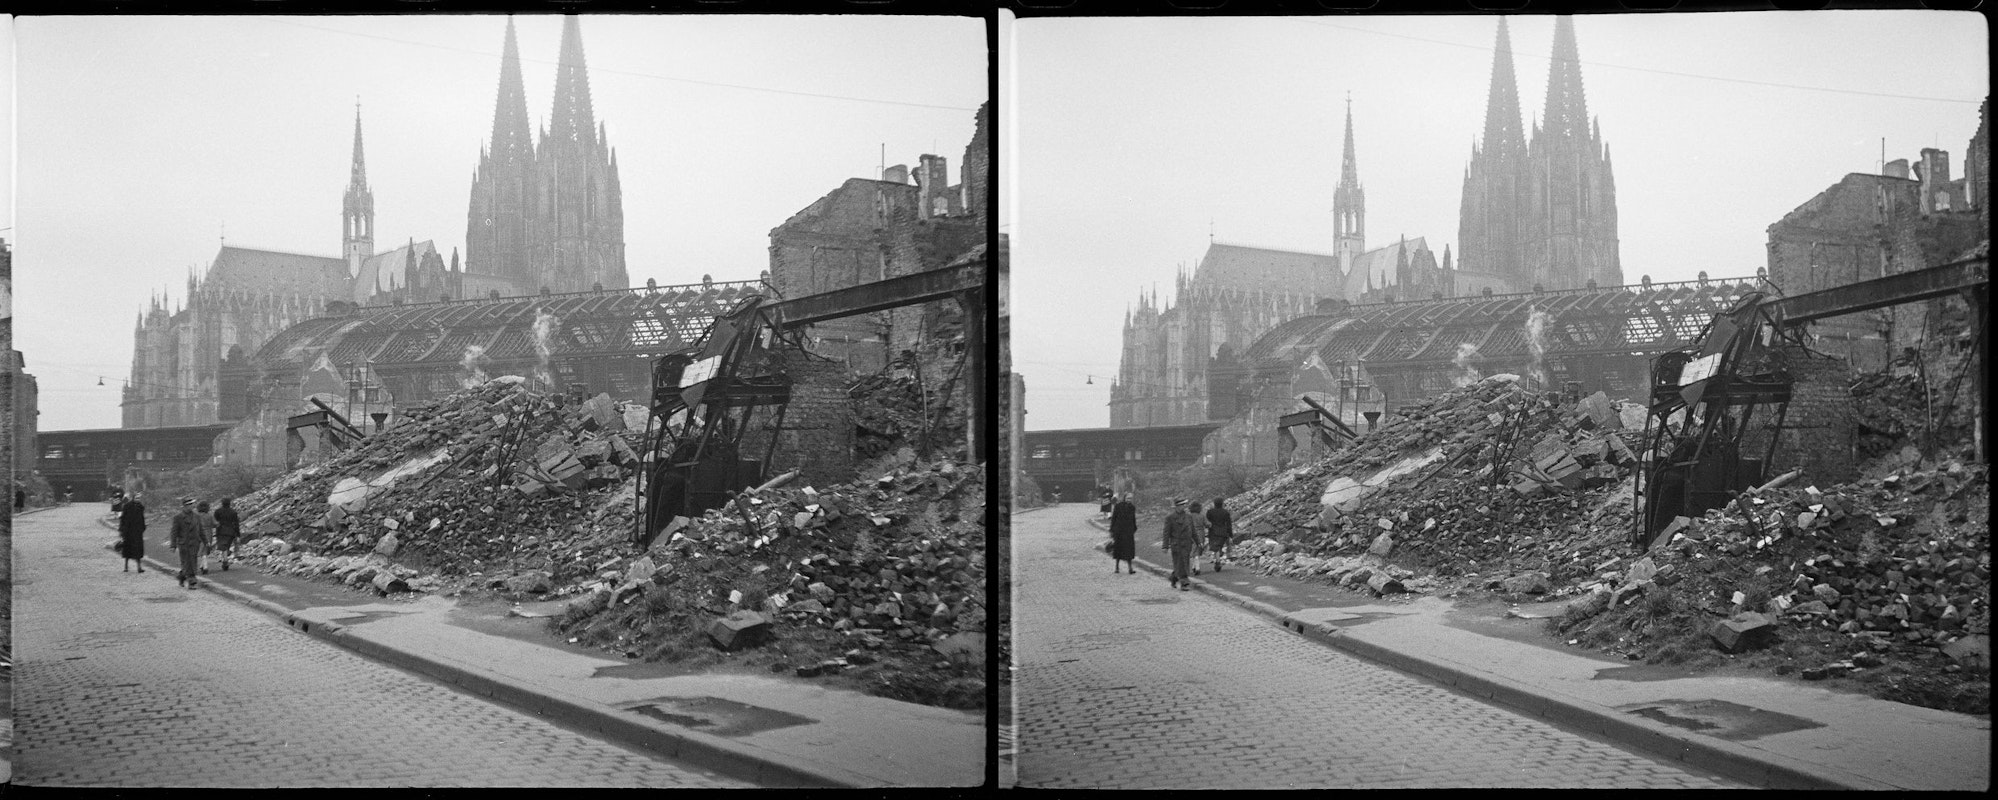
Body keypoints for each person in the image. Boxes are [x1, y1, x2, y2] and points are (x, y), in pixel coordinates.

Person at [1161, 499, 1199, 591]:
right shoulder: (1170, 517)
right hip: (1176, 544)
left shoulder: (1188, 517)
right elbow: (1166, 533)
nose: (1184, 506)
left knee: (1182, 563)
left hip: (1187, 544)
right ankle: (1184, 582)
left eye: (1184, 505)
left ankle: (1174, 577)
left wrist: (1198, 542)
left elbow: (1193, 530)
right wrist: (1165, 546)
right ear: (1177, 506)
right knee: (1181, 563)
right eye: (1182, 505)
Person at [170, 498, 203, 589]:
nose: (192, 506)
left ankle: (182, 576)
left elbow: (201, 530)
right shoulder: (178, 517)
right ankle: (192, 581)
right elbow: (174, 532)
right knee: (187, 562)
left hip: (195, 543)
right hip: (184, 544)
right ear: (185, 506)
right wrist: (173, 545)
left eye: (193, 504)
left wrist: (206, 541)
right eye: (190, 504)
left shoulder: (196, 516)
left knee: (192, 562)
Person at [118, 492, 148, 573]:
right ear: (133, 498)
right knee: (127, 549)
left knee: (138, 550)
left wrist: (143, 527)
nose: (138, 500)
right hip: (128, 531)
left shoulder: (140, 507)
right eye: (136, 498)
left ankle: (139, 567)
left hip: (137, 532)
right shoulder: (127, 506)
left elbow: (142, 518)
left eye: (139, 498)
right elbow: (123, 518)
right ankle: (126, 566)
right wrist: (121, 530)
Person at [1108, 494, 1138, 574]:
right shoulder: (1118, 506)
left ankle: (1130, 568)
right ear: (1124, 498)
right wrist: (1112, 530)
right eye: (1128, 498)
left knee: (1129, 550)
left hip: (1128, 532)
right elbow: (1114, 518)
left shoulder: (1132, 507)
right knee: (1118, 549)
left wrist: (1134, 528)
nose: (1129, 500)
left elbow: (1133, 519)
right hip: (1119, 531)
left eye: (1131, 498)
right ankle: (1117, 567)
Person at [1206, 497, 1235, 573]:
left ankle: (1218, 561)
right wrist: (1230, 534)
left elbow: (1207, 521)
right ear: (1222, 504)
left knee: (1215, 548)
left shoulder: (1210, 512)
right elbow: (1229, 524)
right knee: (1219, 547)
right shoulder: (1225, 512)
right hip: (1223, 532)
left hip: (1213, 531)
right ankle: (1218, 559)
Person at [213, 497, 242, 571]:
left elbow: (215, 521)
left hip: (221, 531)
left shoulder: (218, 511)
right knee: (227, 546)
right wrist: (238, 534)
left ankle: (225, 560)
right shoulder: (233, 512)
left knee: (223, 547)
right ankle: (225, 560)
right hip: (230, 531)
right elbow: (236, 524)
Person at [194, 500, 217, 574]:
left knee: (199, 549)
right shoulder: (209, 515)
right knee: (205, 550)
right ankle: (205, 566)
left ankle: (202, 565)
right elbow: (214, 524)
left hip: (197, 534)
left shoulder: (196, 515)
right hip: (208, 534)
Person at [1186, 502, 1209, 576]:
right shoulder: (1201, 516)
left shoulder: (1188, 516)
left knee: (1193, 549)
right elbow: (1207, 524)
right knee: (1198, 550)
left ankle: (1195, 566)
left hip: (1190, 534)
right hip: (1200, 534)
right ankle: (1197, 567)